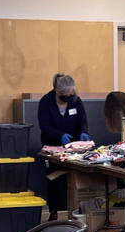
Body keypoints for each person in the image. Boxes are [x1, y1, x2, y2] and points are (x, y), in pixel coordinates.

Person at [38, 73, 90, 220]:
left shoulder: (76, 101)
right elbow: (44, 125)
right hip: (52, 146)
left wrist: (83, 133)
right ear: (57, 91)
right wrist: (59, 135)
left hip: (73, 147)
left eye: (70, 94)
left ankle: (73, 211)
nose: (68, 97)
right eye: (65, 95)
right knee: (54, 179)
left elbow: (82, 121)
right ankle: (54, 210)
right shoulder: (46, 102)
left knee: (74, 177)